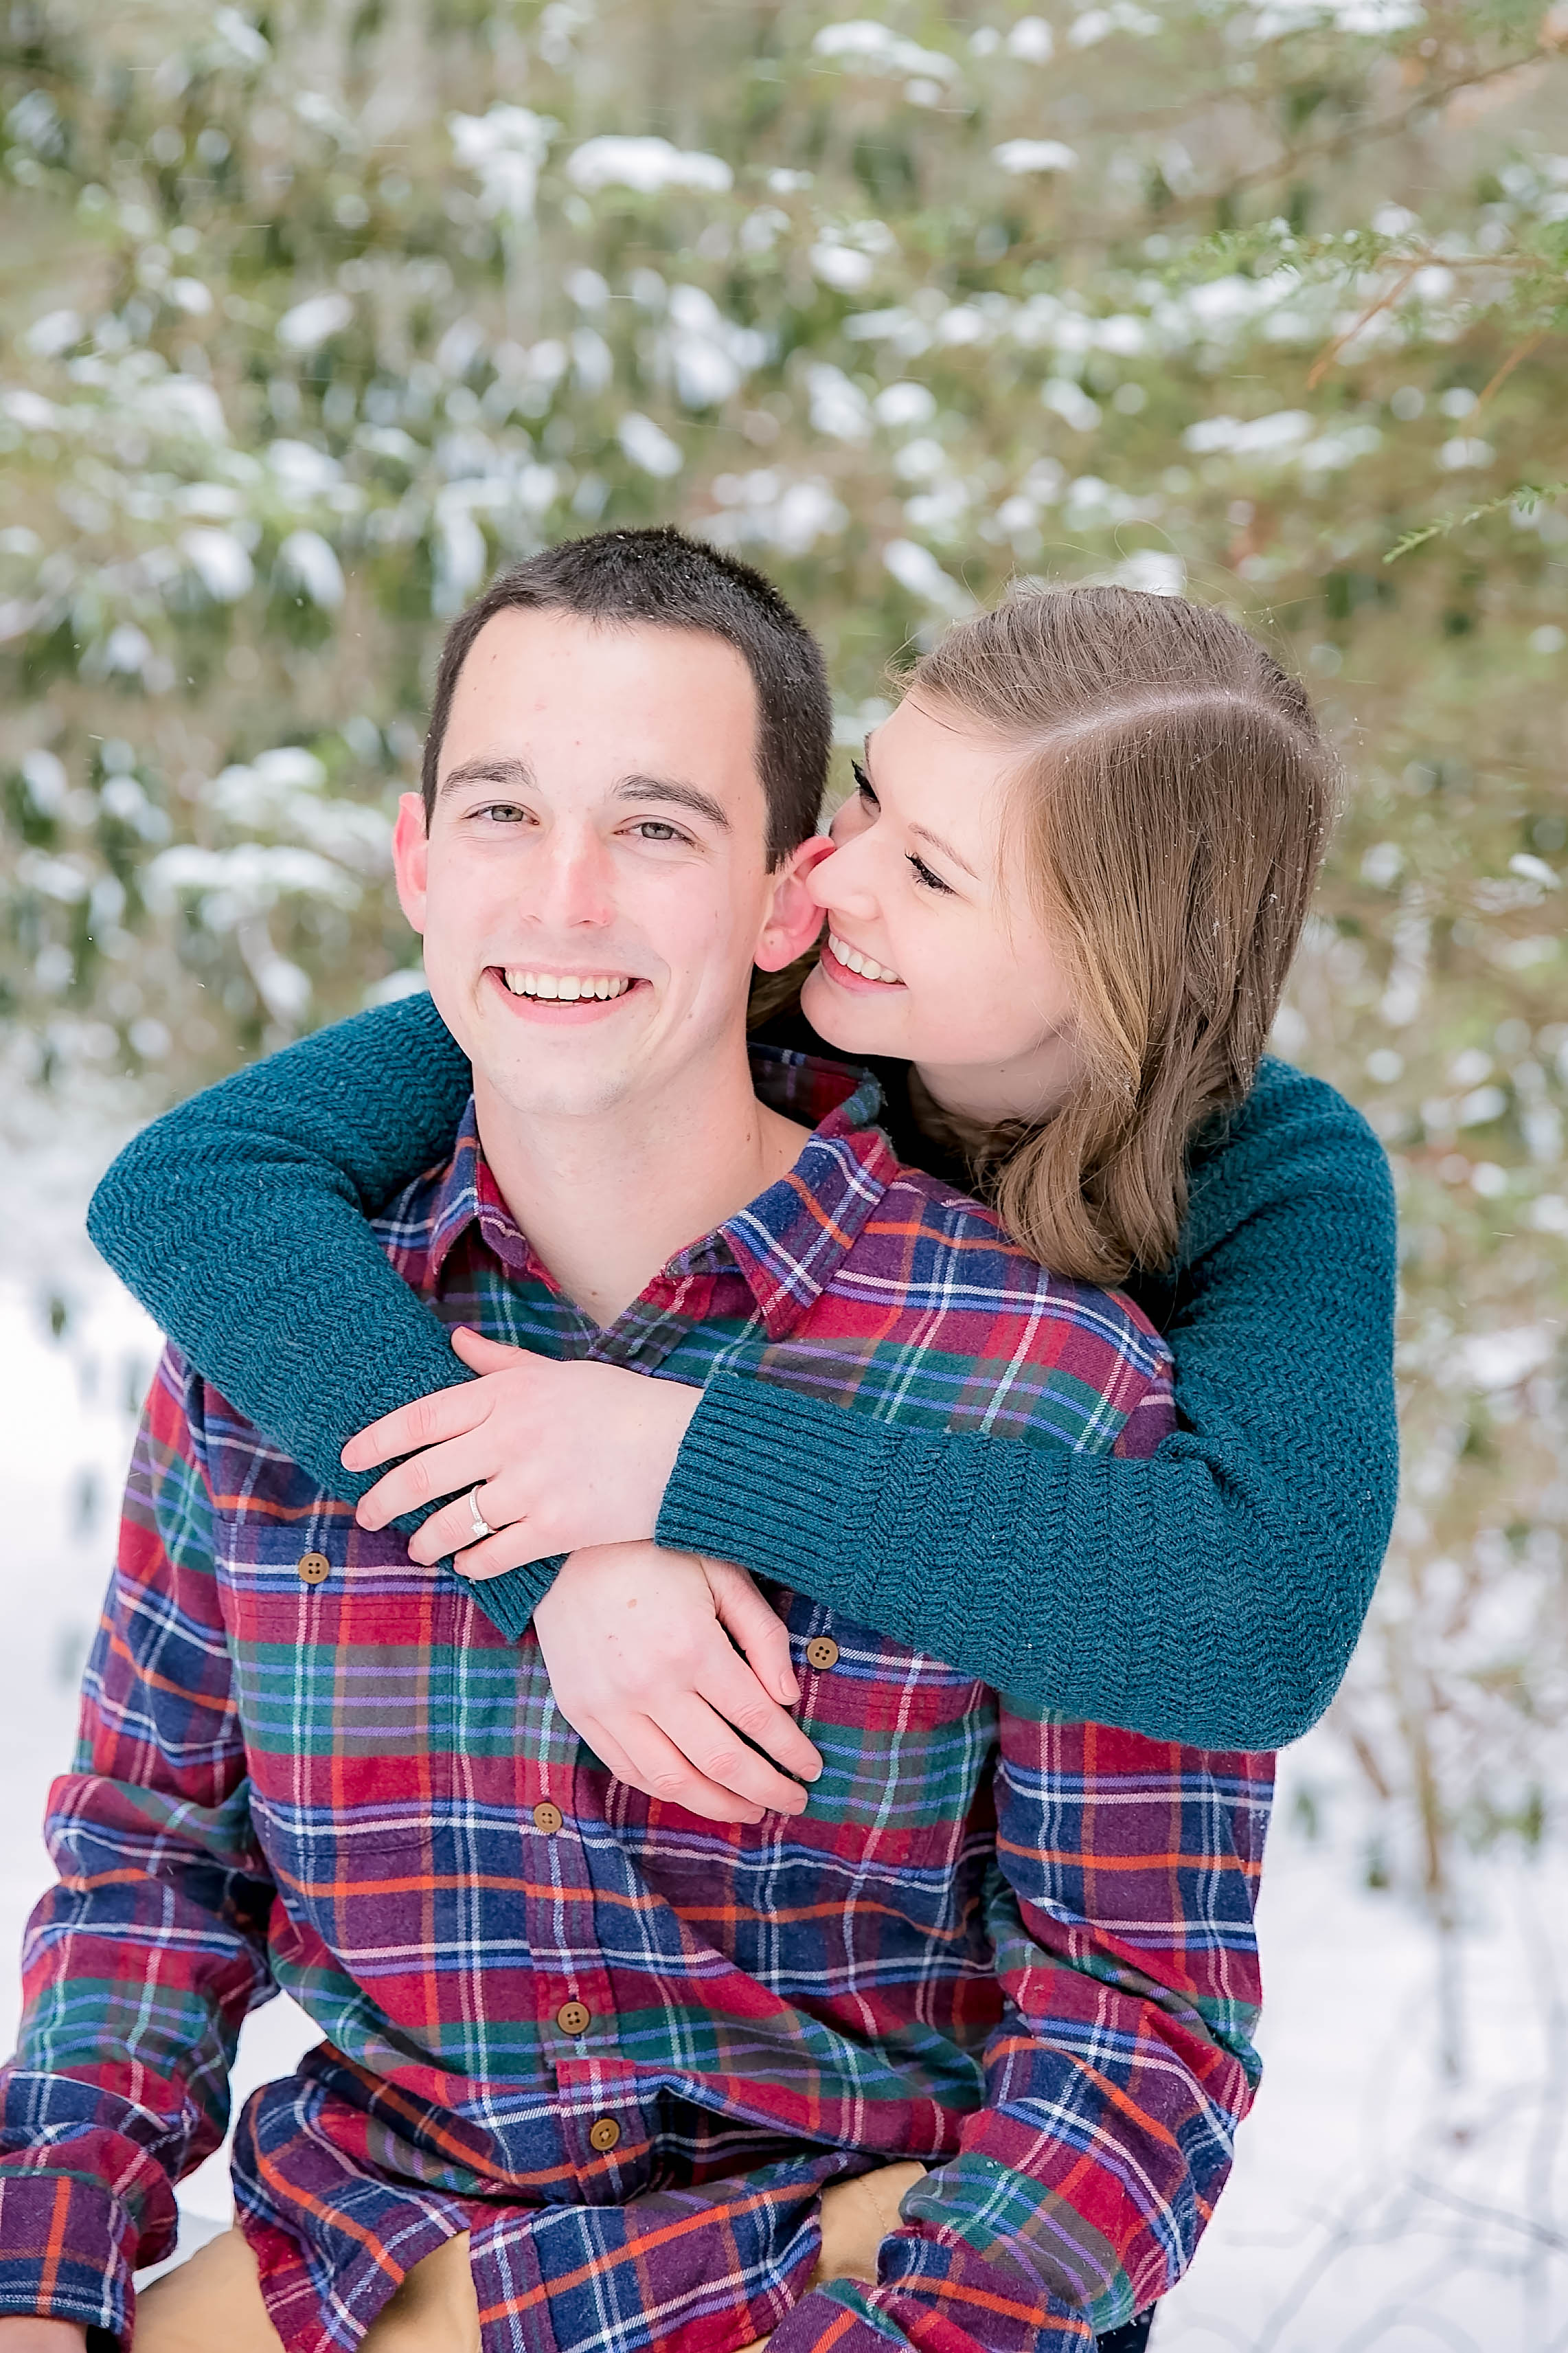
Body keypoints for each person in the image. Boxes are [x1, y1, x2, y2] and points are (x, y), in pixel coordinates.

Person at [0, 532, 1291, 2352]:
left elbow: (1132, 2029)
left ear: (790, 898)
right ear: (416, 863)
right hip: (349, 2270)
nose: (566, 899)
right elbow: (150, 1859)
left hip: (799, 2287)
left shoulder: (1043, 1391)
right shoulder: (278, 1339)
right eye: (506, 816)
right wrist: (40, 2283)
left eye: (660, 829)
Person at [83, 583, 1398, 1777]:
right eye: (869, 796)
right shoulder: (726, 991)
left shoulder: (1273, 1171)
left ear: (1128, 965)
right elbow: (195, 1183)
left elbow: (1260, 1618)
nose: (832, 871)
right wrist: (553, 1550)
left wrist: (676, 1453)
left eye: (930, 871)